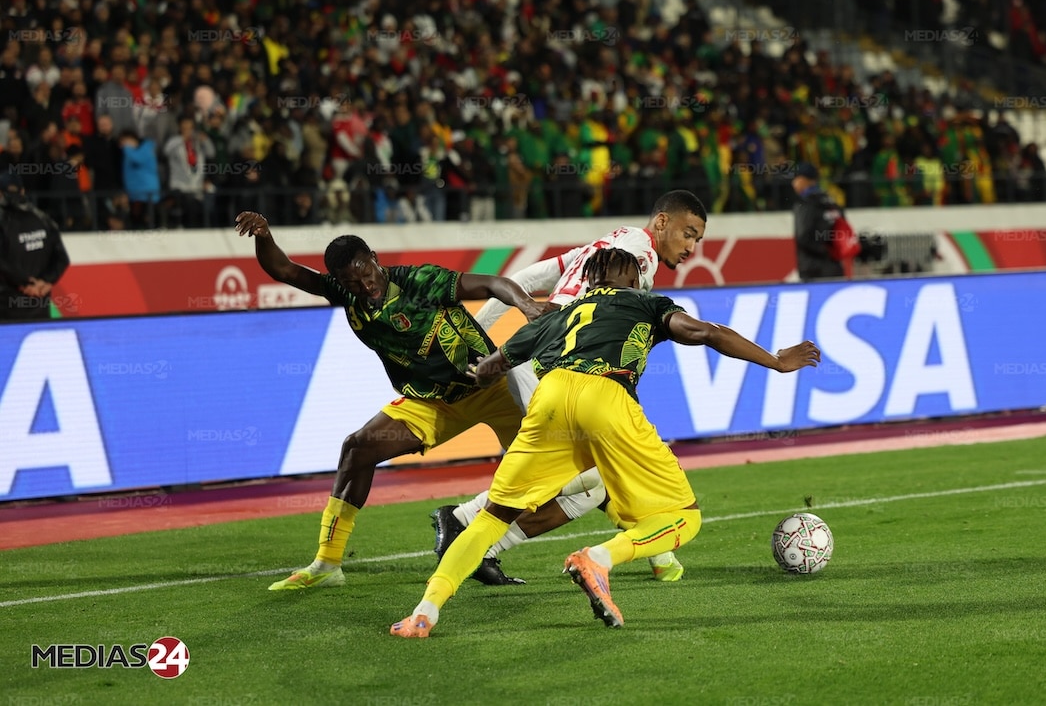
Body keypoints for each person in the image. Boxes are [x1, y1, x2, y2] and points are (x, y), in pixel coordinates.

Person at [390, 248, 821, 638]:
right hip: (606, 395)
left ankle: (424, 612)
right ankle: (600, 558)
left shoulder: (559, 315)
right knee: (684, 517)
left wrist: (464, 372)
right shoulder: (644, 302)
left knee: (491, 519)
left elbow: (491, 368)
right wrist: (776, 360)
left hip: (551, 400)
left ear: (589, 280)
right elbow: (705, 332)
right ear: (633, 279)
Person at [232, 211, 555, 590]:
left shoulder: (418, 281)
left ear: (374, 258)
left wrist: (528, 306)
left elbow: (493, 283)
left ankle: (486, 540)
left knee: (553, 472)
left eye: (367, 274)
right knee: (358, 448)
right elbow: (285, 270)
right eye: (352, 282)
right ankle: (327, 564)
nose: (365, 285)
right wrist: (264, 235)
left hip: (493, 389)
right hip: (433, 401)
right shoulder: (344, 292)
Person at [435, 190, 708, 584]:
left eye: (697, 239)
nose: (691, 248)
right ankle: (464, 519)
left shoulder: (605, 246)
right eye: (688, 234)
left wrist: (478, 333)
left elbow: (524, 279)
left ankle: (659, 556)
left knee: (594, 472)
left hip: (538, 362)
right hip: (557, 368)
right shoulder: (639, 257)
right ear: (662, 221)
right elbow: (603, 324)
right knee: (592, 475)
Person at [0, 172, 71, 321]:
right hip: (40, 306)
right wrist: (46, 282)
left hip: (7, 310)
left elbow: (3, 264)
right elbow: (62, 258)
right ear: (22, 191)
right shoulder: (43, 218)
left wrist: (26, 284)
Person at [791, 162, 844, 281]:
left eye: (797, 178)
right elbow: (844, 230)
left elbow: (803, 235)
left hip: (812, 269)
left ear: (807, 180)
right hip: (835, 267)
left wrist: (824, 251)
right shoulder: (831, 201)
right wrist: (832, 251)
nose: (793, 183)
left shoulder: (804, 203)